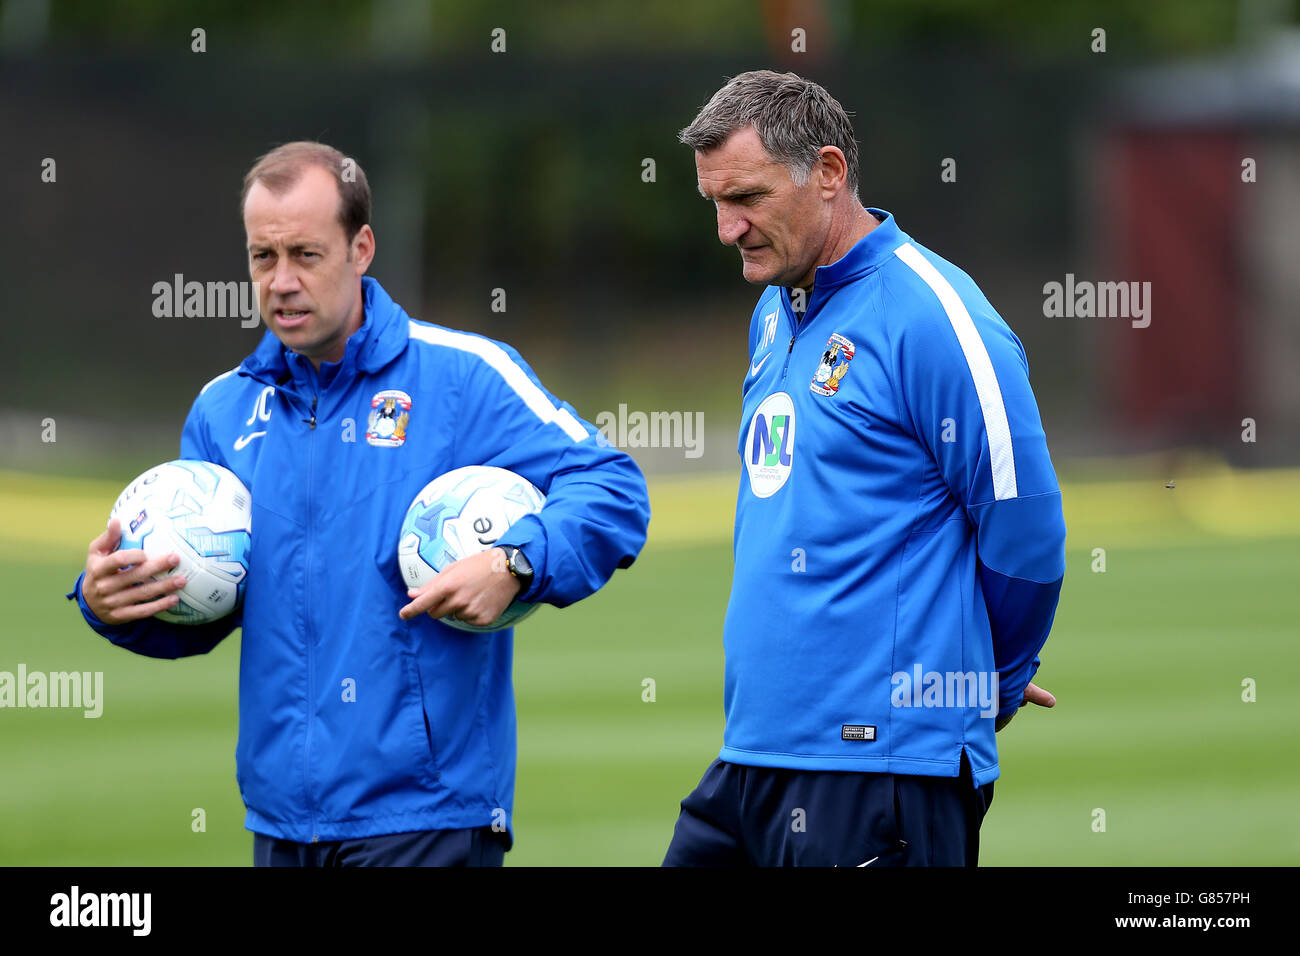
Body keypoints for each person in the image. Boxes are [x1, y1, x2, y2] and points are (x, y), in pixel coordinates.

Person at [69, 141, 650, 867]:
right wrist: (113, 598)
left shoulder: (463, 377)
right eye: (262, 257)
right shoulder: (223, 411)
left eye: (306, 255)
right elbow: (208, 604)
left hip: (427, 817)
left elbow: (612, 486)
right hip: (283, 823)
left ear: (362, 248)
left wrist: (515, 560)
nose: (280, 282)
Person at [663, 71, 1066, 867]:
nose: (726, 228)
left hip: (876, 768)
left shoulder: (933, 315)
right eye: (714, 201)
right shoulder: (776, 309)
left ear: (829, 172)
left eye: (744, 197)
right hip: (757, 753)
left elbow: (1025, 523)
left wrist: (995, 678)